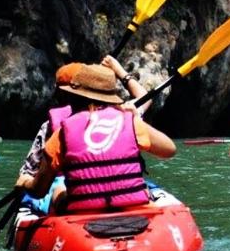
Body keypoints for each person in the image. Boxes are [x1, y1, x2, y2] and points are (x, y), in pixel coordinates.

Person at [21, 61, 175, 214]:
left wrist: (23, 183)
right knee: (145, 188)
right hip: (132, 205)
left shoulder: (62, 131)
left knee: (58, 190)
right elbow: (170, 150)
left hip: (83, 210)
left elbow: (38, 190)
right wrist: (132, 118)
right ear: (112, 97)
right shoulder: (129, 119)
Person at [17, 55, 147, 188]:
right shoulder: (123, 116)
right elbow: (145, 97)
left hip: (70, 190)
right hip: (119, 188)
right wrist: (120, 71)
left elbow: (29, 172)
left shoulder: (53, 127)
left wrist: (24, 181)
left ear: (61, 93)